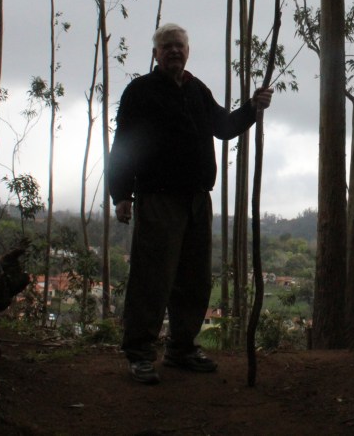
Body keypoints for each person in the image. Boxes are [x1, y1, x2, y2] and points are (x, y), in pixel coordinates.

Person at [107, 22, 272, 385]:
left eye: (179, 45)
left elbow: (224, 126)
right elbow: (123, 145)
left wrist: (252, 108)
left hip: (198, 199)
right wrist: (121, 194)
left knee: (194, 280)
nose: (174, 51)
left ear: (188, 51)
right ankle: (139, 353)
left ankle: (181, 348)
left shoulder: (197, 90)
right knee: (152, 278)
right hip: (159, 199)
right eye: (166, 46)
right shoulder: (140, 91)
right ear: (155, 54)